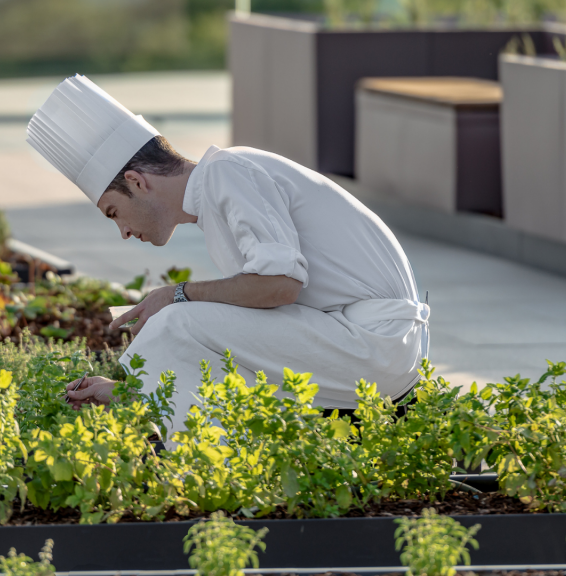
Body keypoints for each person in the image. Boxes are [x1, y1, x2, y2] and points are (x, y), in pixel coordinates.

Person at [26, 75, 429, 434]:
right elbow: (248, 333)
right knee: (179, 322)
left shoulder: (227, 171)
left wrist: (176, 294)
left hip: (372, 345)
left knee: (173, 320)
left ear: (136, 181)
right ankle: (196, 455)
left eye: (115, 213)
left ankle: (196, 475)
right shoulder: (219, 193)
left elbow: (278, 286)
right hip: (363, 345)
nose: (124, 232)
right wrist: (124, 390)